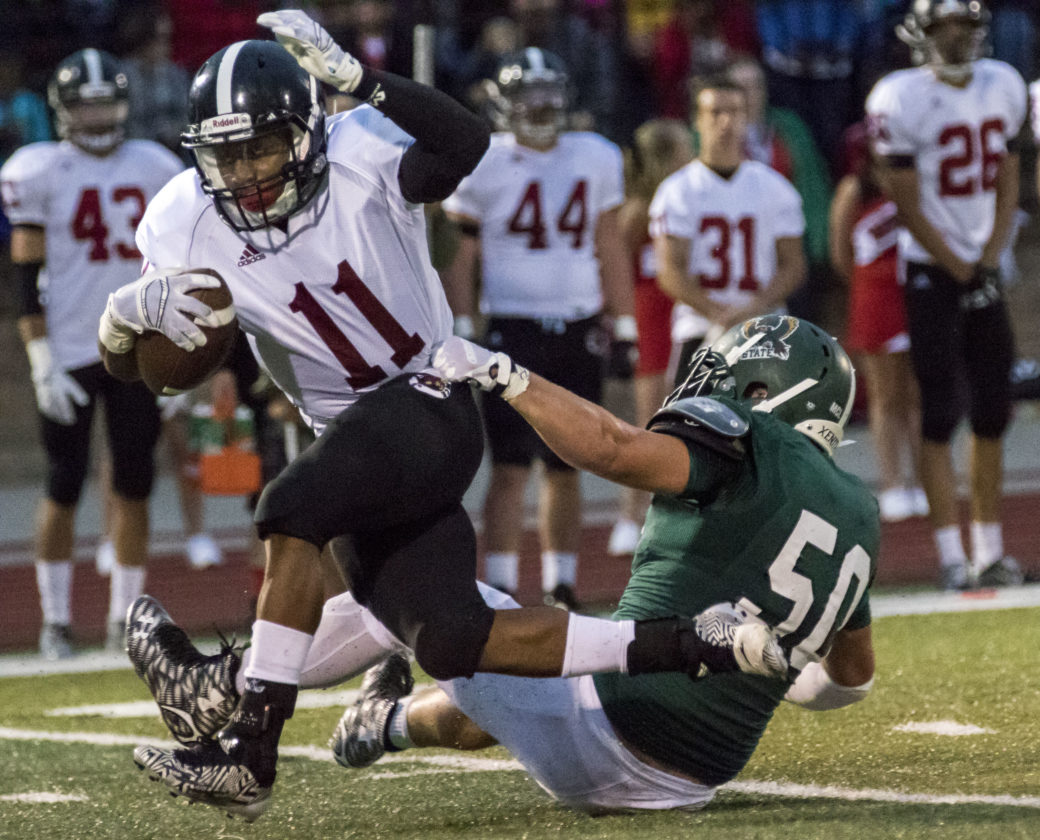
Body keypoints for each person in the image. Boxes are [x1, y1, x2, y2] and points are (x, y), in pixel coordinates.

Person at [106, 12, 776, 821]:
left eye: (263, 148)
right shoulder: (182, 216)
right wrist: (119, 330)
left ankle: (250, 748)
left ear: (308, 133)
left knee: (286, 506)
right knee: (452, 637)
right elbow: (154, 372)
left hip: (429, 394)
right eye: (227, 156)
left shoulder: (360, 150)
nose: (245, 174)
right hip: (349, 443)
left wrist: (363, 82)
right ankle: (691, 640)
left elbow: (465, 143)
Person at [130, 313, 874, 815]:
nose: (714, 390)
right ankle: (385, 723)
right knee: (511, 664)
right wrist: (769, 665)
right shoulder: (861, 515)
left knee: (408, 592)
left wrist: (510, 377)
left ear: (765, 392)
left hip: (610, 728)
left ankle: (222, 685)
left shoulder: (753, 445)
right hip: (691, 781)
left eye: (731, 379)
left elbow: (612, 450)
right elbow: (850, 678)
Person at [0, 49, 184, 659]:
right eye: (86, 105)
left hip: (135, 345)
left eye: (105, 103)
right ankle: (55, 620)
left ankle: (124, 617)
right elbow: (25, 274)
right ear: (63, 110)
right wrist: (39, 356)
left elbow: (177, 266)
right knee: (63, 482)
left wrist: (176, 351)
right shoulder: (40, 169)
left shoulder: (156, 165)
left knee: (135, 482)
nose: (97, 116)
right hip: (72, 346)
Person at [440, 47, 635, 609]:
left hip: (578, 322)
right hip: (512, 324)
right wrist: (463, 324)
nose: (542, 106)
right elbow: (461, 257)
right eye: (530, 95)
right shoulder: (485, 160)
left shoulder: (595, 155)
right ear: (504, 103)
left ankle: (561, 584)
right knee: (508, 465)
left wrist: (625, 325)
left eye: (550, 94)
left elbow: (608, 242)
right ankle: (501, 585)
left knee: (567, 462)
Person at [866, 0, 1026, 590]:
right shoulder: (899, 96)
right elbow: (904, 199)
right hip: (931, 270)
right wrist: (960, 264)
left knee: (993, 409)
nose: (955, 36)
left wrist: (990, 256)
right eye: (944, 25)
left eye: (964, 24)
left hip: (980, 265)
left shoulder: (1003, 82)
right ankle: (951, 555)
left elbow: (1009, 177)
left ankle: (989, 548)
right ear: (921, 33)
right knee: (938, 412)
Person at [652, 76, 806, 389]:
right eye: (715, 112)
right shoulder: (678, 191)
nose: (725, 122)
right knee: (687, 418)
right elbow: (669, 271)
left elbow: (794, 265)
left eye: (734, 112)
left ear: (747, 117)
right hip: (701, 328)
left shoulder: (775, 188)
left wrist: (755, 307)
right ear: (697, 120)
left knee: (768, 418)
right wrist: (717, 314)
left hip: (765, 329)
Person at [829, 124, 927, 524]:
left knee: (917, 393)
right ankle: (893, 483)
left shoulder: (916, 178)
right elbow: (840, 252)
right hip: (875, 298)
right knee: (885, 397)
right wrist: (867, 283)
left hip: (916, 294)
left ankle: (923, 480)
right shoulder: (854, 189)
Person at [607, 117, 694, 556]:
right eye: (684, 148)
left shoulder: (688, 200)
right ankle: (630, 515)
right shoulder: (638, 210)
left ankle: (673, 513)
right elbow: (615, 267)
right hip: (650, 315)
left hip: (679, 311)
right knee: (649, 421)